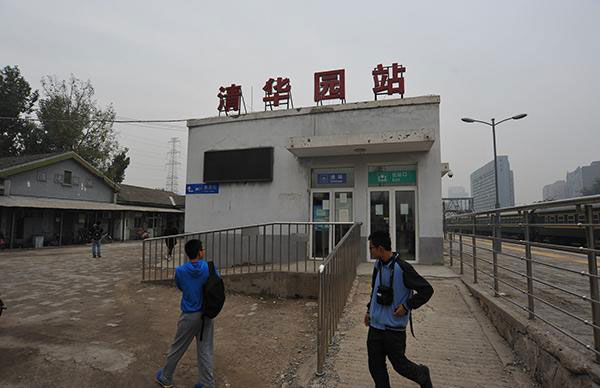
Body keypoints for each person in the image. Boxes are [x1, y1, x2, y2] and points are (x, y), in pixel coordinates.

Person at [364, 230, 434, 388]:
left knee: (400, 365)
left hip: (393, 330)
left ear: (380, 249)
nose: (370, 251)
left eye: (371, 248)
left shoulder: (403, 268)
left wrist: (407, 305)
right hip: (375, 327)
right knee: (375, 367)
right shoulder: (378, 266)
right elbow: (374, 290)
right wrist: (369, 310)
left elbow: (427, 290)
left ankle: (421, 374)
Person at [156, 239, 217, 388]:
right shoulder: (209, 267)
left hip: (189, 315)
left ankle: (165, 377)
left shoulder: (180, 271)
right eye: (202, 249)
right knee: (205, 349)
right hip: (207, 314)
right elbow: (217, 284)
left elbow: (180, 286)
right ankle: (206, 383)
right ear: (199, 252)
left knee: (177, 347)